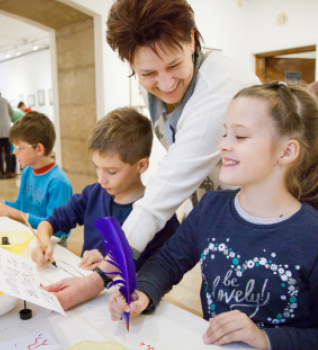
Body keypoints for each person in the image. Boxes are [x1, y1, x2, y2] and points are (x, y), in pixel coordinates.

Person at [42, 0, 260, 310]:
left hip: (260, 217)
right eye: (148, 73)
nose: (166, 83)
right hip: (219, 212)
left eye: (174, 65)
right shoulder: (156, 84)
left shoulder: (217, 90)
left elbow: (162, 194)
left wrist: (96, 281)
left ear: (193, 40)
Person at [109, 83, 318, 350]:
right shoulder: (210, 208)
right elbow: (168, 261)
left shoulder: (311, 235)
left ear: (286, 152)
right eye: (225, 134)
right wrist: (144, 292)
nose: (223, 146)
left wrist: (265, 338)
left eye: (240, 137)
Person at [31, 107, 179, 271]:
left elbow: (160, 277)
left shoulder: (159, 214)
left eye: (111, 171)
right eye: (97, 167)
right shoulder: (93, 194)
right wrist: (43, 241)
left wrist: (110, 267)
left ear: (142, 165)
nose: (101, 179)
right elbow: (51, 222)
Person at [0, 112, 73, 242]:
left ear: (39, 149)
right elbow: (20, 206)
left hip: (52, 247)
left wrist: (11, 213)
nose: (13, 151)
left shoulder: (58, 182)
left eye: (18, 147)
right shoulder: (27, 171)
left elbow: (57, 229)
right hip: (29, 237)